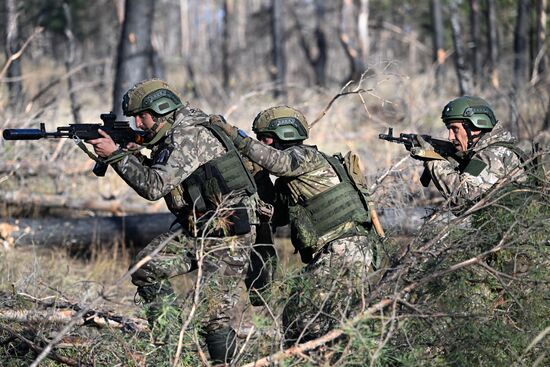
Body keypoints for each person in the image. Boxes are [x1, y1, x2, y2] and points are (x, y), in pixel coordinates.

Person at [87, 79, 259, 363]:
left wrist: (117, 156)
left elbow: (154, 187)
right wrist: (131, 155)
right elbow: (166, 177)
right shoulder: (171, 135)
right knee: (146, 268)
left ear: (161, 110)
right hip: (199, 226)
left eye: (142, 116)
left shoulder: (189, 135)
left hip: (228, 232)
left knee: (212, 316)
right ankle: (171, 349)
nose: (138, 124)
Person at [210, 106, 380, 344]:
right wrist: (257, 180)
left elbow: (277, 162)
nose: (262, 143)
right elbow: (277, 217)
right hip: (338, 253)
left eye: (265, 138)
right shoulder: (291, 179)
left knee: (305, 317)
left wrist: (236, 136)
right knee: (307, 315)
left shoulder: (304, 156)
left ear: (284, 135)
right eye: (259, 139)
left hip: (344, 251)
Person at [411, 96, 526, 214]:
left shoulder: (491, 155)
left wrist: (432, 160)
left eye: (455, 129)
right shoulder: (492, 151)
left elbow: (462, 200)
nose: (450, 137)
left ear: (475, 127)